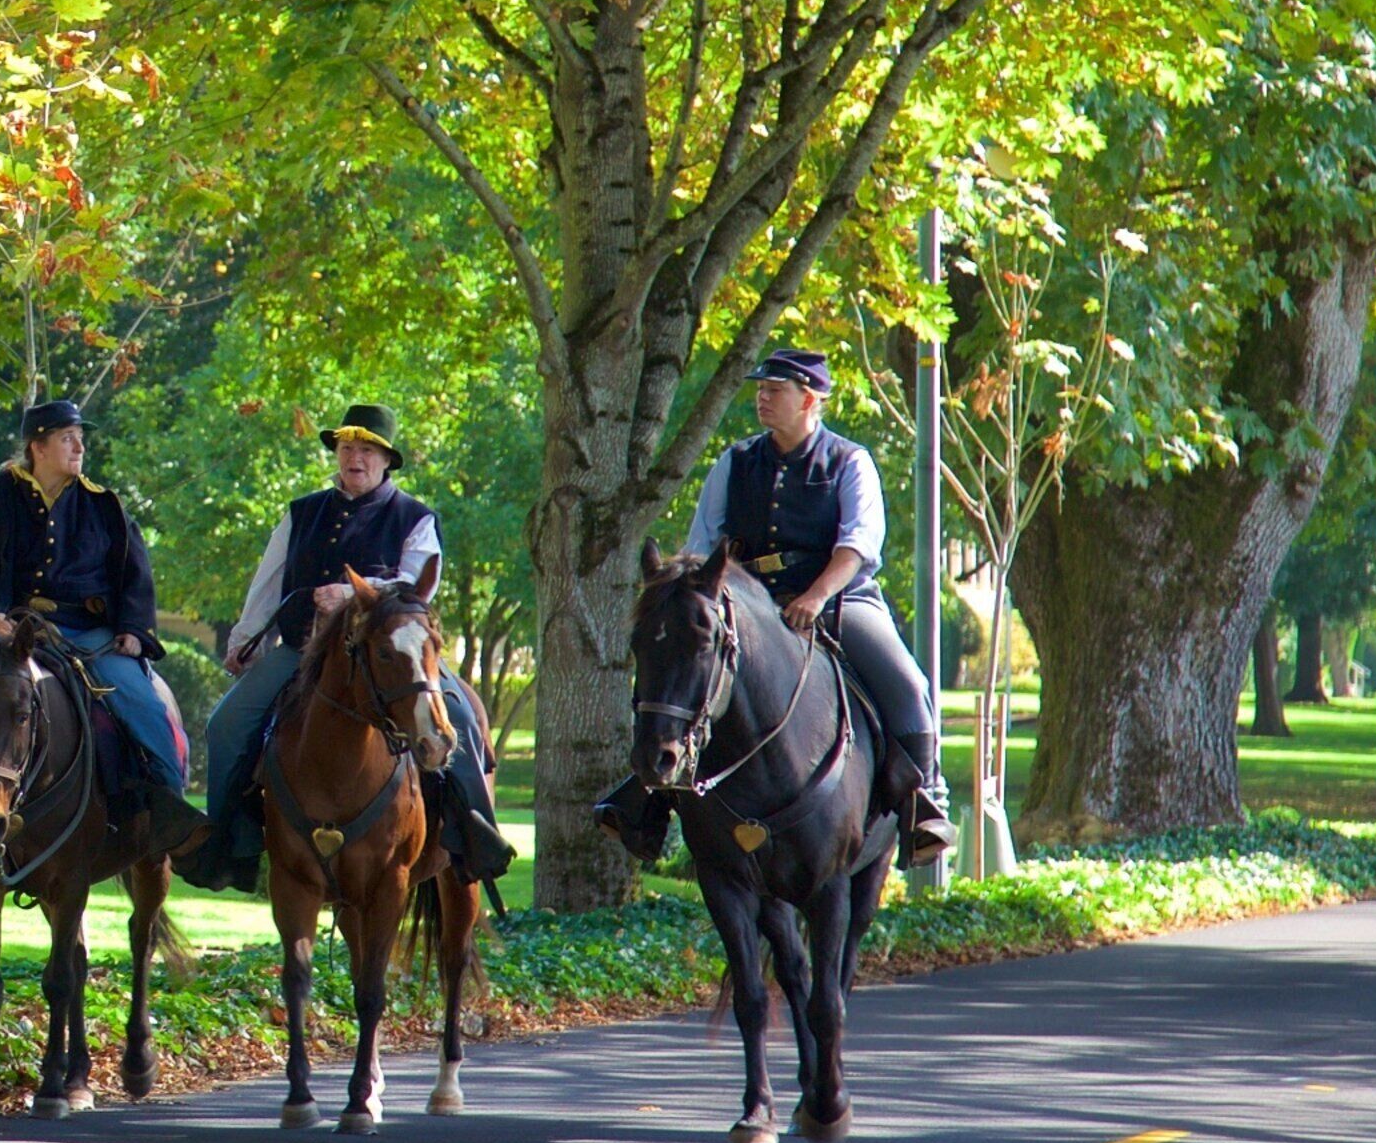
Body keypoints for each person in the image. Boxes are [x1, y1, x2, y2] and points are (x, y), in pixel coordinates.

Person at [595, 349, 956, 867]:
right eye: (760, 390)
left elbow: (857, 546)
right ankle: (646, 799)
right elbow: (703, 545)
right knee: (686, 668)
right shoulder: (735, 462)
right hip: (746, 604)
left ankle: (924, 806)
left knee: (908, 682)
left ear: (809, 400)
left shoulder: (849, 461)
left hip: (837, 600)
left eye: (775, 391)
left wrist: (816, 595)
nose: (762, 398)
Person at [180, 407, 517, 894]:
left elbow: (418, 582)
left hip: (394, 653)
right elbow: (268, 582)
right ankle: (230, 846)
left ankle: (475, 838)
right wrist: (245, 641)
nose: (354, 458)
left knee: (460, 719)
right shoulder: (300, 512)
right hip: (302, 651)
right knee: (225, 724)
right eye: (346, 449)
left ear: (386, 461)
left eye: (365, 450)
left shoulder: (415, 517)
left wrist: (358, 592)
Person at [0, 401, 209, 871]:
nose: (80, 446)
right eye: (68, 437)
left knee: (142, 703)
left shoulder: (103, 506)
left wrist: (134, 631)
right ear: (39, 446)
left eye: (80, 438)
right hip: (10, 636)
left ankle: (169, 812)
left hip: (91, 635)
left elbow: (136, 572)